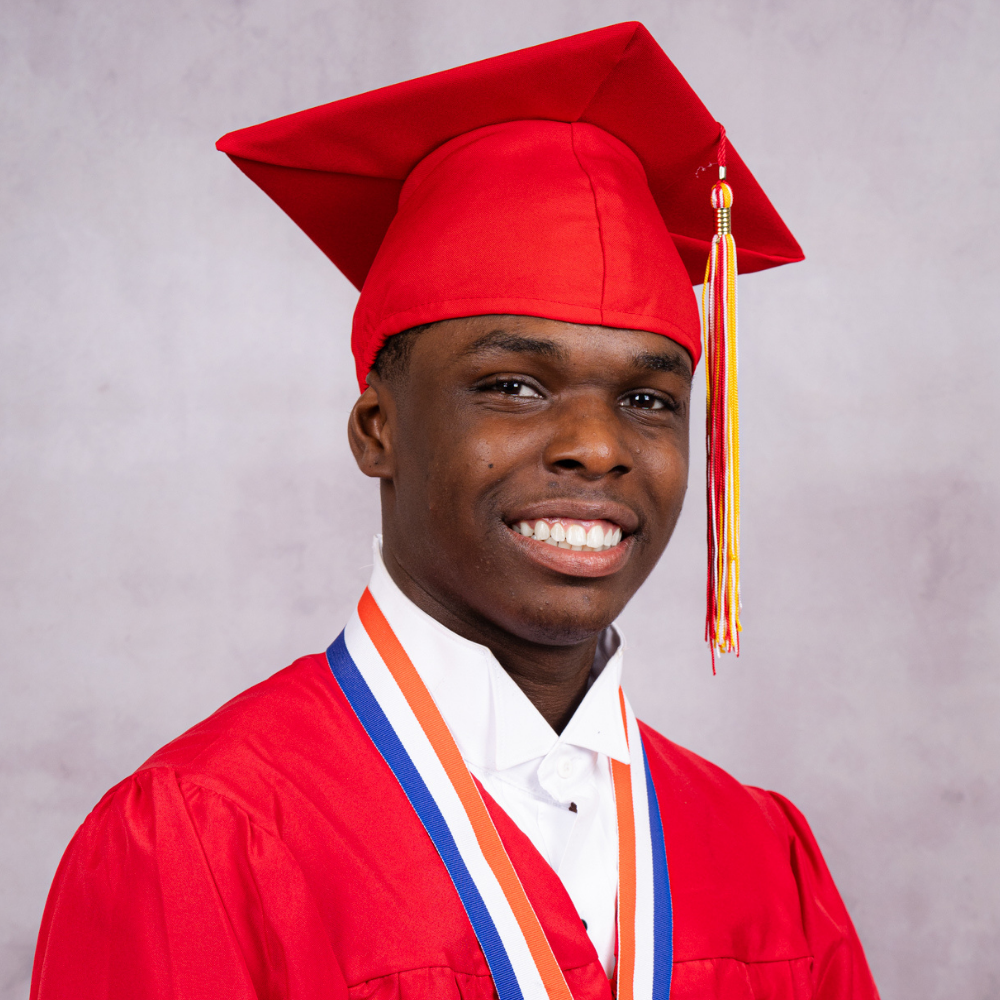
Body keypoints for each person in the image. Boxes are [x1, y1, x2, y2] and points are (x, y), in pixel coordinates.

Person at [29, 22, 879, 1000]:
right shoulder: (201, 841)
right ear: (375, 430)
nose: (598, 446)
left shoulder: (762, 857)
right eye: (514, 386)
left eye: (648, 401)